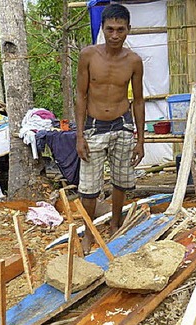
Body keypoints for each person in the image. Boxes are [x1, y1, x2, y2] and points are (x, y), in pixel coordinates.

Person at [75, 3, 145, 254]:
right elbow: (81, 95)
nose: (115, 35)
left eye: (120, 30)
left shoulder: (134, 61)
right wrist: (80, 135)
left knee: (121, 180)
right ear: (102, 29)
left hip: (122, 124)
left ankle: (115, 224)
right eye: (110, 29)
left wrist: (140, 140)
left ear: (128, 30)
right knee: (90, 187)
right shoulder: (89, 56)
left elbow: (138, 100)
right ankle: (88, 232)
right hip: (94, 126)